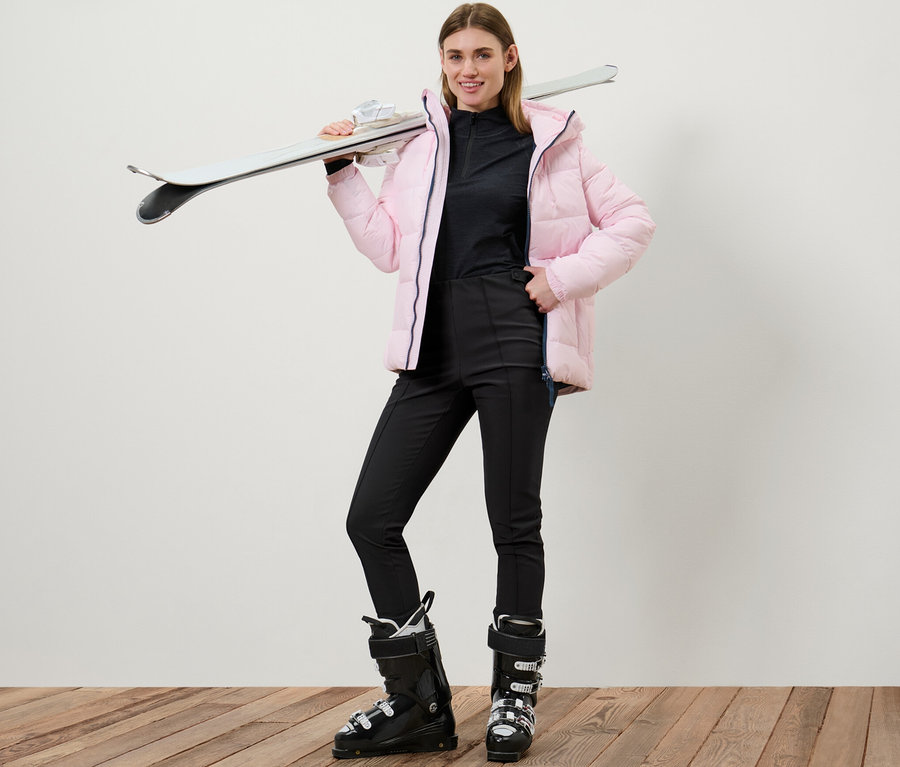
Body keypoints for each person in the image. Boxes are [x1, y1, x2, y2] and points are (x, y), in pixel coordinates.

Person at [320, 3, 655, 762]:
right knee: (371, 518)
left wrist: (560, 279)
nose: (466, 69)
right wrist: (342, 170)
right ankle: (418, 703)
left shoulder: (552, 139)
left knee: (512, 519)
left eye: (480, 54)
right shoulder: (419, 144)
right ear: (441, 64)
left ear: (509, 57)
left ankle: (513, 697)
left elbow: (632, 221)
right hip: (432, 345)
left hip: (511, 334)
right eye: (454, 56)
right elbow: (387, 247)